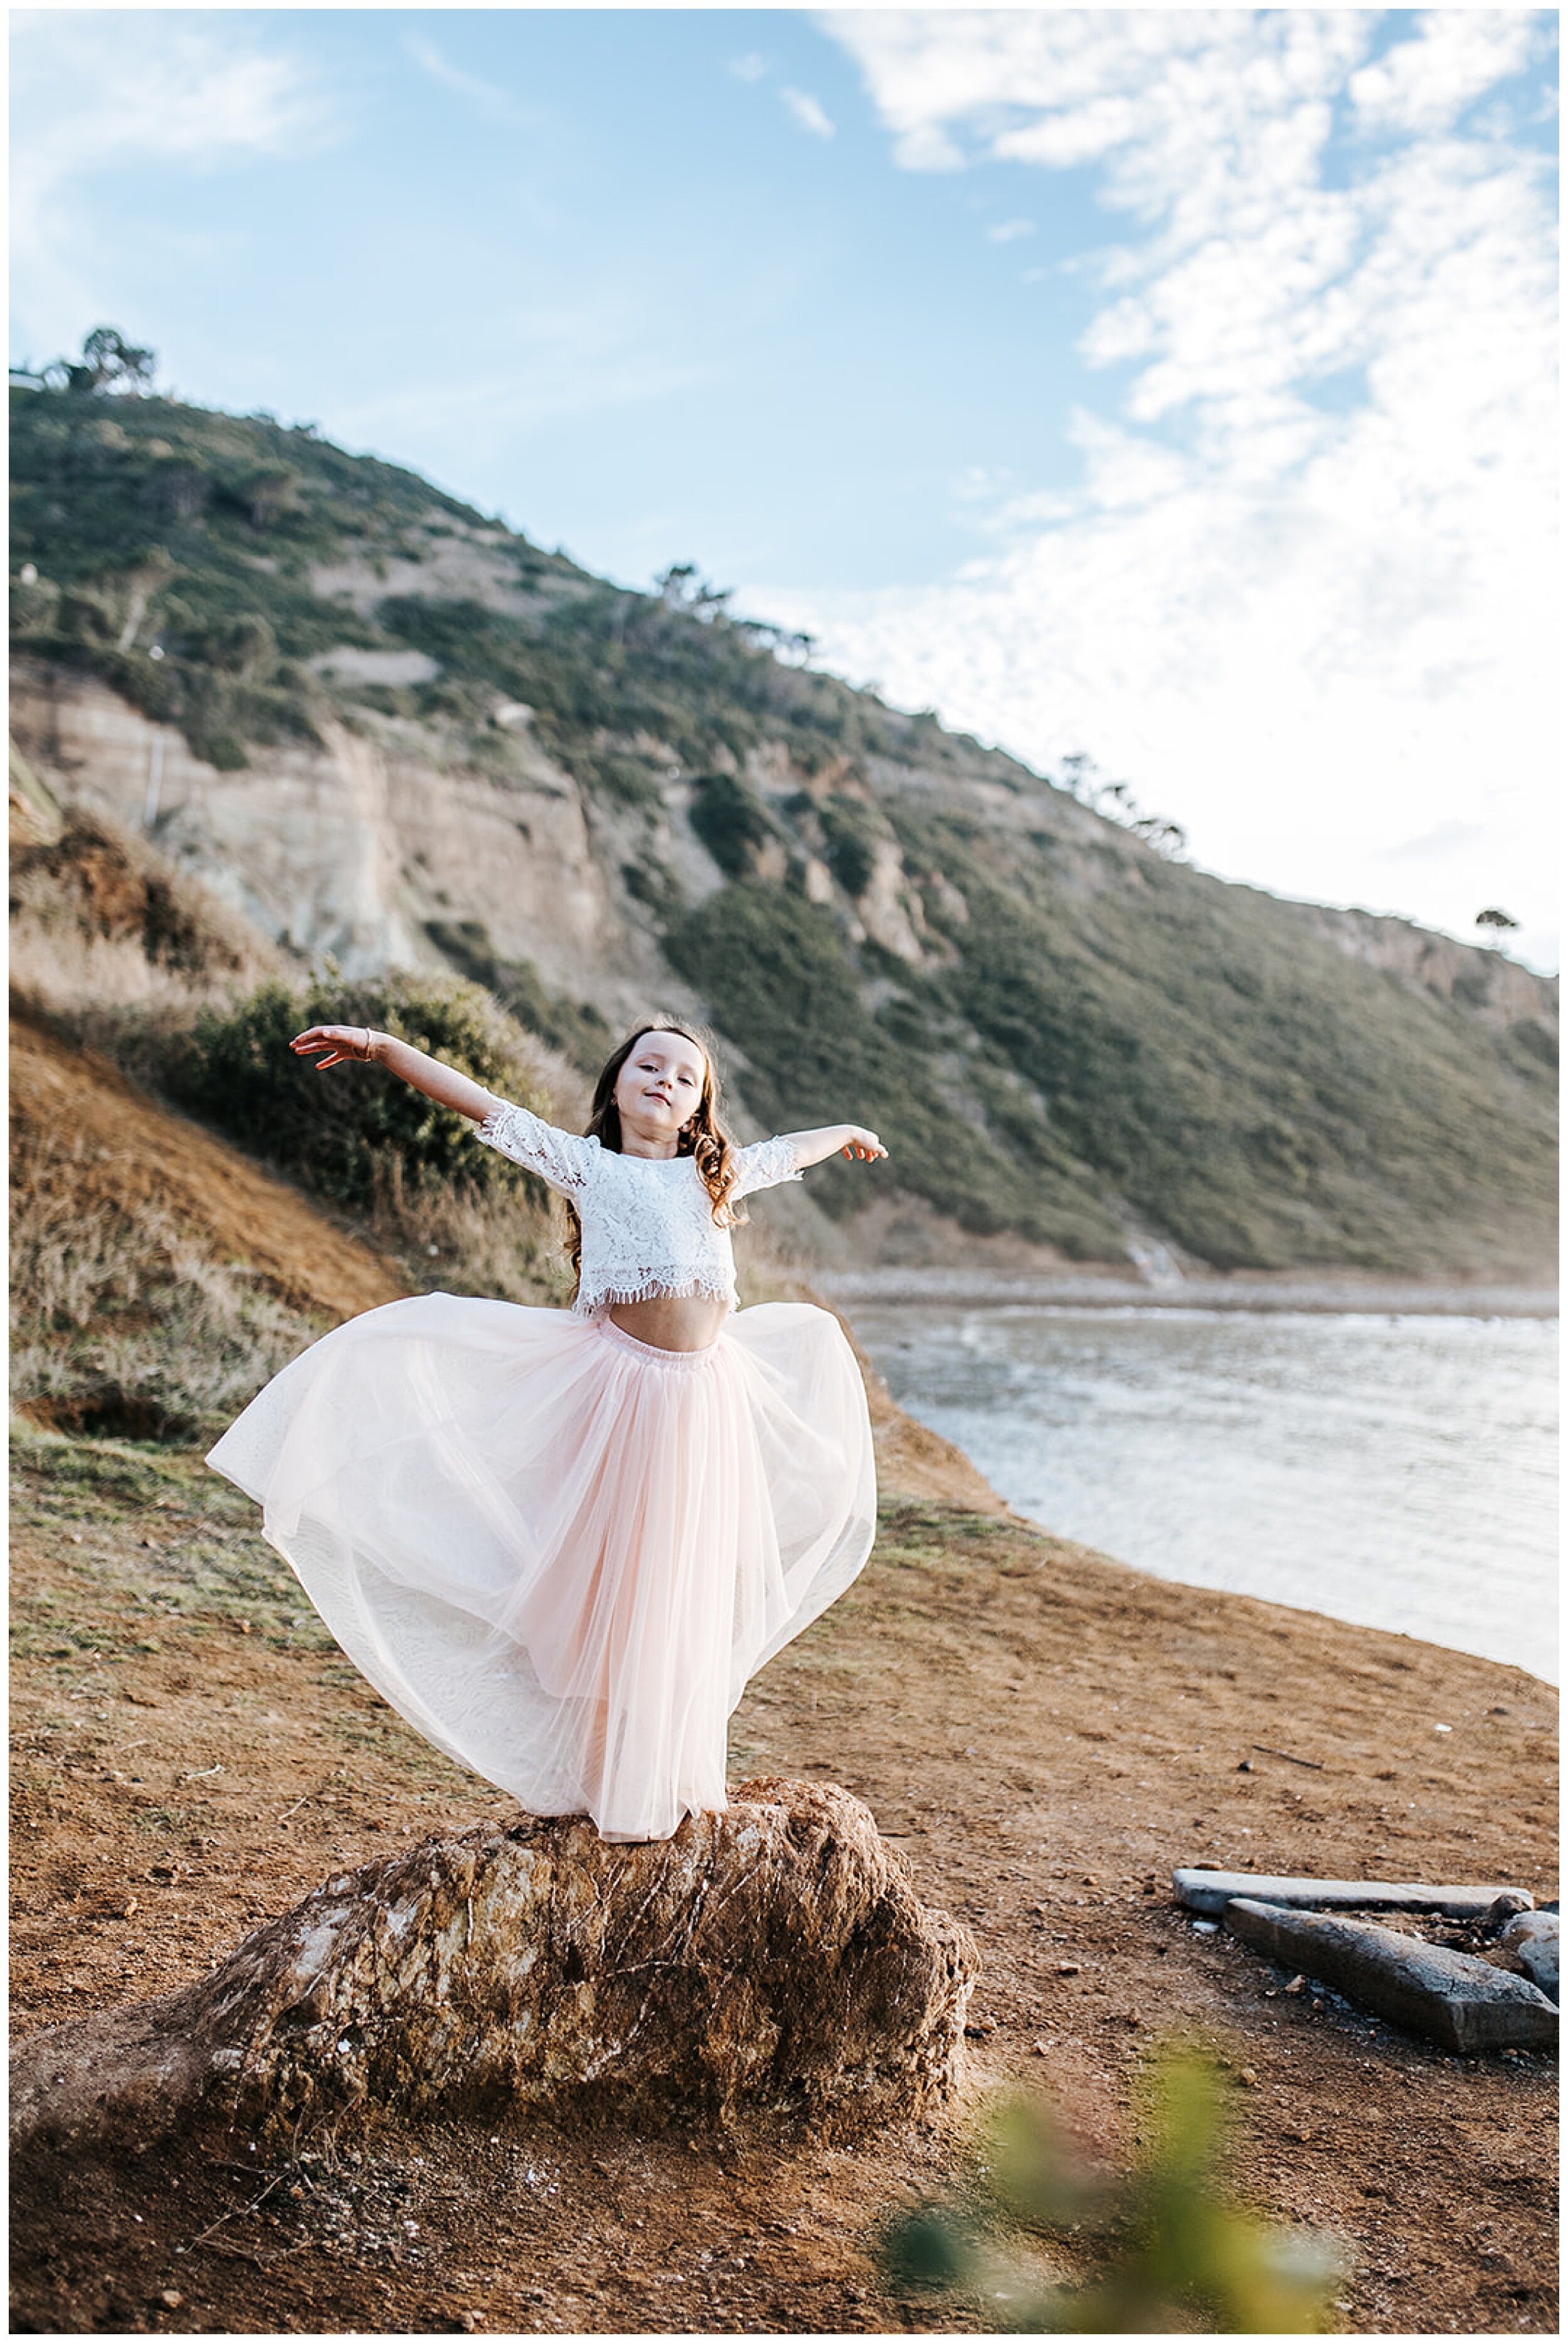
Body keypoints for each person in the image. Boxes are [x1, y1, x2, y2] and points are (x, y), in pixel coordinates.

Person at [206, 1015, 885, 1842]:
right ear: (617, 1086)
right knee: (613, 1588)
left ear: (699, 1109)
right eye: (648, 1066)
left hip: (705, 1407)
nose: (664, 1080)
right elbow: (482, 1107)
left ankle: (672, 1770)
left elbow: (792, 1149)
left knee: (682, 1588)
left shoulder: (717, 1177)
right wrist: (385, 1051)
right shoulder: (587, 1166)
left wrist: (845, 1131)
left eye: (684, 1075)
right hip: (619, 1404)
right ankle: (601, 1779)